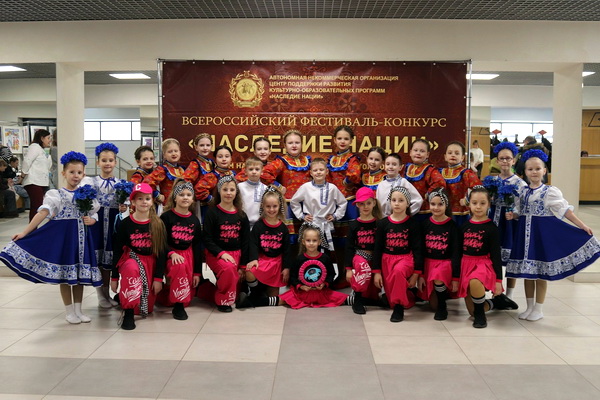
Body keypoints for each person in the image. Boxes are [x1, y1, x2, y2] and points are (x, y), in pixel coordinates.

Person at [0, 151, 101, 324]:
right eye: (71, 172)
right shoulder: (56, 195)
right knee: (65, 277)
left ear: (84, 174)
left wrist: (92, 220)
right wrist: (25, 232)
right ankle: (69, 311)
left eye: (79, 172)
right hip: (65, 242)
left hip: (82, 241)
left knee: (79, 277)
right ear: (63, 173)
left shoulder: (87, 195)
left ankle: (79, 310)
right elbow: (43, 213)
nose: (75, 176)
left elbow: (94, 213)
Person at [506, 149, 600, 321]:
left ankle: (538, 308)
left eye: (537, 168)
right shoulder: (522, 192)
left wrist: (582, 225)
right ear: (525, 172)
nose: (534, 172)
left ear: (544, 171)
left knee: (540, 273)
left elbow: (565, 211)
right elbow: (520, 211)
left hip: (540, 237)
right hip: (524, 237)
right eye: (530, 169)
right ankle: (529, 307)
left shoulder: (549, 192)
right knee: (527, 273)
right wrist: (514, 215)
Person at [111, 183, 168, 330]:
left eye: (147, 198)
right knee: (131, 269)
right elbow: (117, 250)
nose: (144, 202)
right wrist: (114, 277)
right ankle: (128, 312)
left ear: (152, 201)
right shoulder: (126, 223)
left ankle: (123, 298)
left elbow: (161, 252)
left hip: (150, 263)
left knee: (146, 309)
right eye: (140, 199)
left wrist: (158, 278)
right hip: (132, 260)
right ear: (133, 202)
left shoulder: (158, 224)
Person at [85, 143, 128, 309]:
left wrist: (124, 207)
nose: (107, 163)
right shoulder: (91, 182)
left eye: (110, 160)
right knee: (98, 260)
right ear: (98, 162)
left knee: (108, 261)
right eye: (104, 160)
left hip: (113, 225)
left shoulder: (121, 184)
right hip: (96, 224)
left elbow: (126, 205)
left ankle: (107, 293)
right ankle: (100, 295)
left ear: (115, 162)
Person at [455, 187, 503, 329]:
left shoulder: (492, 228)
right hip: (466, 265)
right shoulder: (464, 226)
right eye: (474, 203)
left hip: (483, 264)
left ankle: (481, 316)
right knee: (472, 311)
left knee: (475, 281)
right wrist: (455, 276)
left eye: (482, 203)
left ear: (489, 204)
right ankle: (496, 303)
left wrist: (499, 281)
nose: (478, 207)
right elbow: (457, 253)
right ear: (469, 204)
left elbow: (496, 255)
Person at [373, 186, 423, 322]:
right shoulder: (382, 224)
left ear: (407, 203)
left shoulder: (413, 224)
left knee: (398, 272)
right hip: (387, 260)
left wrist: (416, 274)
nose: (397, 203)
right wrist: (377, 272)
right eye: (394, 200)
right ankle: (410, 295)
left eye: (401, 200)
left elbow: (418, 249)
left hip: (405, 259)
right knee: (391, 298)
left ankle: (399, 308)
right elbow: (377, 248)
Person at [201, 175, 250, 312]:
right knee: (228, 270)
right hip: (216, 254)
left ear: (236, 192)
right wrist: (221, 253)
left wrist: (242, 266)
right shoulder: (212, 213)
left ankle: (204, 289)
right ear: (219, 191)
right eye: (225, 189)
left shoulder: (241, 215)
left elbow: (245, 241)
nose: (228, 193)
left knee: (234, 292)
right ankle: (222, 302)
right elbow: (207, 239)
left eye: (232, 190)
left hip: (237, 254)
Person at [237, 187, 291, 308]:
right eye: (268, 206)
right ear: (263, 206)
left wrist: (286, 267)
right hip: (263, 261)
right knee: (250, 271)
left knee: (273, 297)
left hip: (276, 264)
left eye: (274, 206)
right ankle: (256, 292)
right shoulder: (258, 225)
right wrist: (254, 259)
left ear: (279, 206)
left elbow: (287, 250)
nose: (271, 209)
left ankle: (254, 299)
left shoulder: (283, 228)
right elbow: (253, 244)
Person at [488, 142, 527, 301]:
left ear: (514, 160)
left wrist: (515, 215)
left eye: (508, 158)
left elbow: (524, 207)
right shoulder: (491, 180)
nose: (505, 161)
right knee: (491, 256)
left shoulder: (520, 183)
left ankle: (509, 295)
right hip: (492, 221)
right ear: (497, 161)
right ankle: (495, 290)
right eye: (502, 158)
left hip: (510, 224)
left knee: (511, 259)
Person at [159, 179, 202, 320]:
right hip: (170, 255)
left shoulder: (195, 220)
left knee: (186, 298)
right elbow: (161, 241)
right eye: (181, 195)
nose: (185, 197)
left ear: (192, 199)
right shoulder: (166, 217)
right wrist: (171, 253)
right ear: (175, 198)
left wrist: (197, 272)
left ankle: (173, 297)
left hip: (188, 255)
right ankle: (178, 307)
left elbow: (197, 246)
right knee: (179, 268)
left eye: (189, 195)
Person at [278, 223, 348, 309]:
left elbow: (331, 274)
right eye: (308, 240)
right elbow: (293, 276)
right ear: (303, 242)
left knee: (342, 298)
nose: (311, 243)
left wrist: (324, 284)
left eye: (314, 240)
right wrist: (301, 286)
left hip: (322, 292)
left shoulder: (325, 258)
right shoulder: (299, 259)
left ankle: (359, 300)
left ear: (319, 242)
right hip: (302, 293)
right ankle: (264, 301)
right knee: (283, 299)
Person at [262, 130, 311, 243]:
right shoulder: (281, 161)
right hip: (288, 204)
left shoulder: (308, 161)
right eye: (290, 143)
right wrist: (278, 186)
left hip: (306, 205)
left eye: (297, 142)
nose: (294, 145)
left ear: (302, 144)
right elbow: (264, 173)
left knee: (307, 238)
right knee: (289, 238)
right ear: (285, 145)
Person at [419, 188, 460, 320]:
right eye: (433, 204)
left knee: (438, 275)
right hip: (428, 265)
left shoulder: (452, 226)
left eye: (440, 204)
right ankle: (440, 297)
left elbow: (456, 253)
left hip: (445, 265)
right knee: (433, 306)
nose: (436, 208)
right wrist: (421, 274)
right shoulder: (425, 225)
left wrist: (455, 277)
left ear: (446, 205)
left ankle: (443, 306)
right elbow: (420, 251)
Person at [290, 157, 347, 253]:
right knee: (310, 250)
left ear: (327, 171)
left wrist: (335, 215)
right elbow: (294, 201)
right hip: (311, 225)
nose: (318, 172)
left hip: (326, 225)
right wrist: (302, 215)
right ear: (311, 173)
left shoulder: (332, 188)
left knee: (326, 252)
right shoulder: (306, 187)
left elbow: (343, 202)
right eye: (315, 170)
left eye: (321, 170)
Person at [344, 187, 384, 314]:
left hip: (376, 256)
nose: (365, 206)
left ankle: (375, 297)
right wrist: (348, 269)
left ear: (374, 203)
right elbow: (349, 247)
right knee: (363, 266)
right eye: (361, 204)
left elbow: (380, 246)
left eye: (368, 203)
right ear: (357, 205)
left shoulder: (379, 224)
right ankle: (357, 300)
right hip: (360, 255)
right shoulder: (354, 225)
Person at [401, 139, 446, 221]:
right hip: (405, 209)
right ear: (410, 152)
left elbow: (440, 183)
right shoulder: (405, 168)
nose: (418, 153)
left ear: (427, 154)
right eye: (415, 150)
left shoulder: (430, 170)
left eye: (422, 151)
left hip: (423, 211)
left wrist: (427, 195)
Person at [440, 141, 481, 226]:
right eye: (450, 153)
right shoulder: (439, 172)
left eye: (457, 153)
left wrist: (467, 200)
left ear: (462, 157)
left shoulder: (466, 173)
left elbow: (479, 188)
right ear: (445, 157)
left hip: (460, 213)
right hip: (442, 211)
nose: (453, 155)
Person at [327, 125, 362, 221]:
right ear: (334, 140)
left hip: (349, 198)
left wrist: (346, 182)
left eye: (346, 139)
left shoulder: (352, 159)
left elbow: (355, 174)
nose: (342, 141)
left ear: (351, 141)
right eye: (339, 138)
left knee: (350, 225)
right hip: (334, 200)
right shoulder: (332, 160)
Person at [143, 138, 185, 213]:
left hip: (184, 205)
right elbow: (146, 183)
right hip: (169, 207)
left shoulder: (183, 169)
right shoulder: (162, 170)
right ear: (164, 155)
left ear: (180, 153)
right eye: (170, 152)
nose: (173, 154)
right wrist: (157, 195)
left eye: (176, 151)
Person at [22, 129, 53, 221]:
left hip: (40, 182)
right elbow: (27, 161)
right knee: (36, 206)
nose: (50, 140)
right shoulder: (34, 147)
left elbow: (47, 166)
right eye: (48, 138)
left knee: (38, 206)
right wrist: (23, 175)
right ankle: (32, 228)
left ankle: (34, 227)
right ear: (42, 138)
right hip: (33, 181)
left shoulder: (42, 150)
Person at [182, 133, 215, 217]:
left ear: (211, 147)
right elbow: (185, 181)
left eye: (208, 145)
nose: (205, 148)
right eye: (201, 145)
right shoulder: (195, 164)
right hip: (200, 203)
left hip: (212, 202)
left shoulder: (212, 163)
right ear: (196, 147)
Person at [238, 156, 268, 229]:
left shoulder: (265, 188)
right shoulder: (240, 187)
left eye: (257, 169)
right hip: (242, 224)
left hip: (260, 225)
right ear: (245, 171)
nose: (254, 172)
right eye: (251, 169)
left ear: (262, 171)